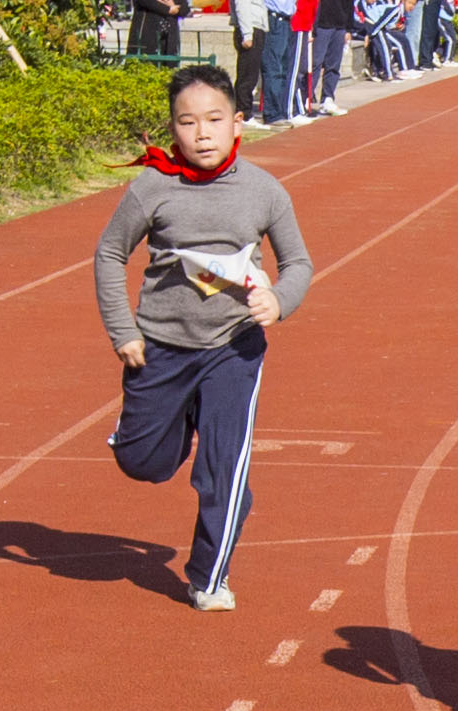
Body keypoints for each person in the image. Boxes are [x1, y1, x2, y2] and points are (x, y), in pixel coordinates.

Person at [94, 61, 313, 610]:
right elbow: (109, 253)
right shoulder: (152, 188)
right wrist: (123, 331)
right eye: (187, 123)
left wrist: (278, 300)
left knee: (224, 468)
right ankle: (173, 422)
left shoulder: (264, 191)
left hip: (233, 348)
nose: (202, 133)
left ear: (238, 123)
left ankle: (208, 578)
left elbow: (299, 264)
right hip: (161, 347)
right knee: (142, 462)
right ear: (173, 131)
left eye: (214, 120)